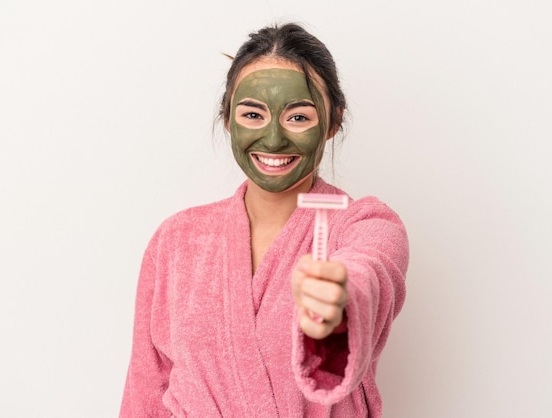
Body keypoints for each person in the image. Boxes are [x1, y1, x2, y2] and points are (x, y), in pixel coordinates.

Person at [120, 22, 409, 417]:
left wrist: (341, 302)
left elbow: (371, 271)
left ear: (333, 122)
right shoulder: (175, 240)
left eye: (298, 117)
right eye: (253, 114)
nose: (273, 140)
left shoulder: (365, 225)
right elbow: (146, 391)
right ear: (227, 119)